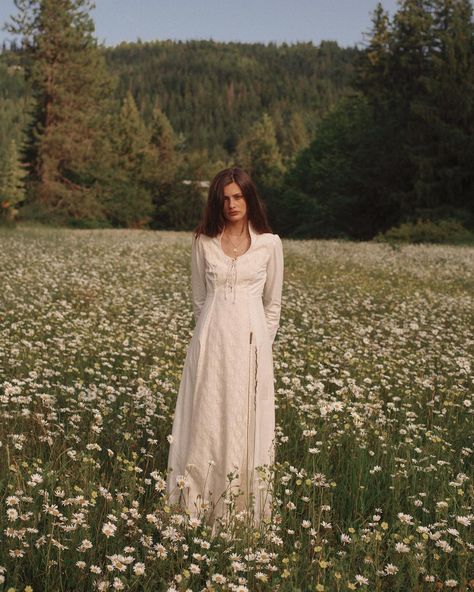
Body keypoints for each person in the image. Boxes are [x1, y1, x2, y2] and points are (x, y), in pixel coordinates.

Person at [165, 166, 284, 530]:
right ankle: (195, 511)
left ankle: (243, 515)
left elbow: (273, 306)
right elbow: (199, 301)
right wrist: (214, 336)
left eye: (238, 196)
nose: (231, 204)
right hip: (210, 347)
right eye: (224, 198)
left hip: (252, 351)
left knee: (246, 423)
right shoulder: (203, 242)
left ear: (249, 199)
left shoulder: (270, 244)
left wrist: (258, 348)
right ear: (217, 202)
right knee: (206, 421)